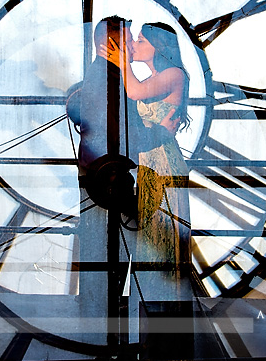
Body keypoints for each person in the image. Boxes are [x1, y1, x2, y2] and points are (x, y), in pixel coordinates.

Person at [101, 21, 191, 291]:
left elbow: (134, 92)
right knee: (152, 234)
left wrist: (122, 58)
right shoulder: (153, 79)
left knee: (163, 233)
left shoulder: (175, 74)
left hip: (164, 164)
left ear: (158, 46)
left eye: (140, 40)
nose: (134, 45)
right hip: (150, 164)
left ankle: (166, 301)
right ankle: (155, 297)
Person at [76, 16, 179, 215]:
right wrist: (161, 133)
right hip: (111, 179)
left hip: (108, 177)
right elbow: (121, 134)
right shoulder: (109, 78)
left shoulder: (106, 73)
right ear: (114, 45)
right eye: (130, 40)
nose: (133, 45)